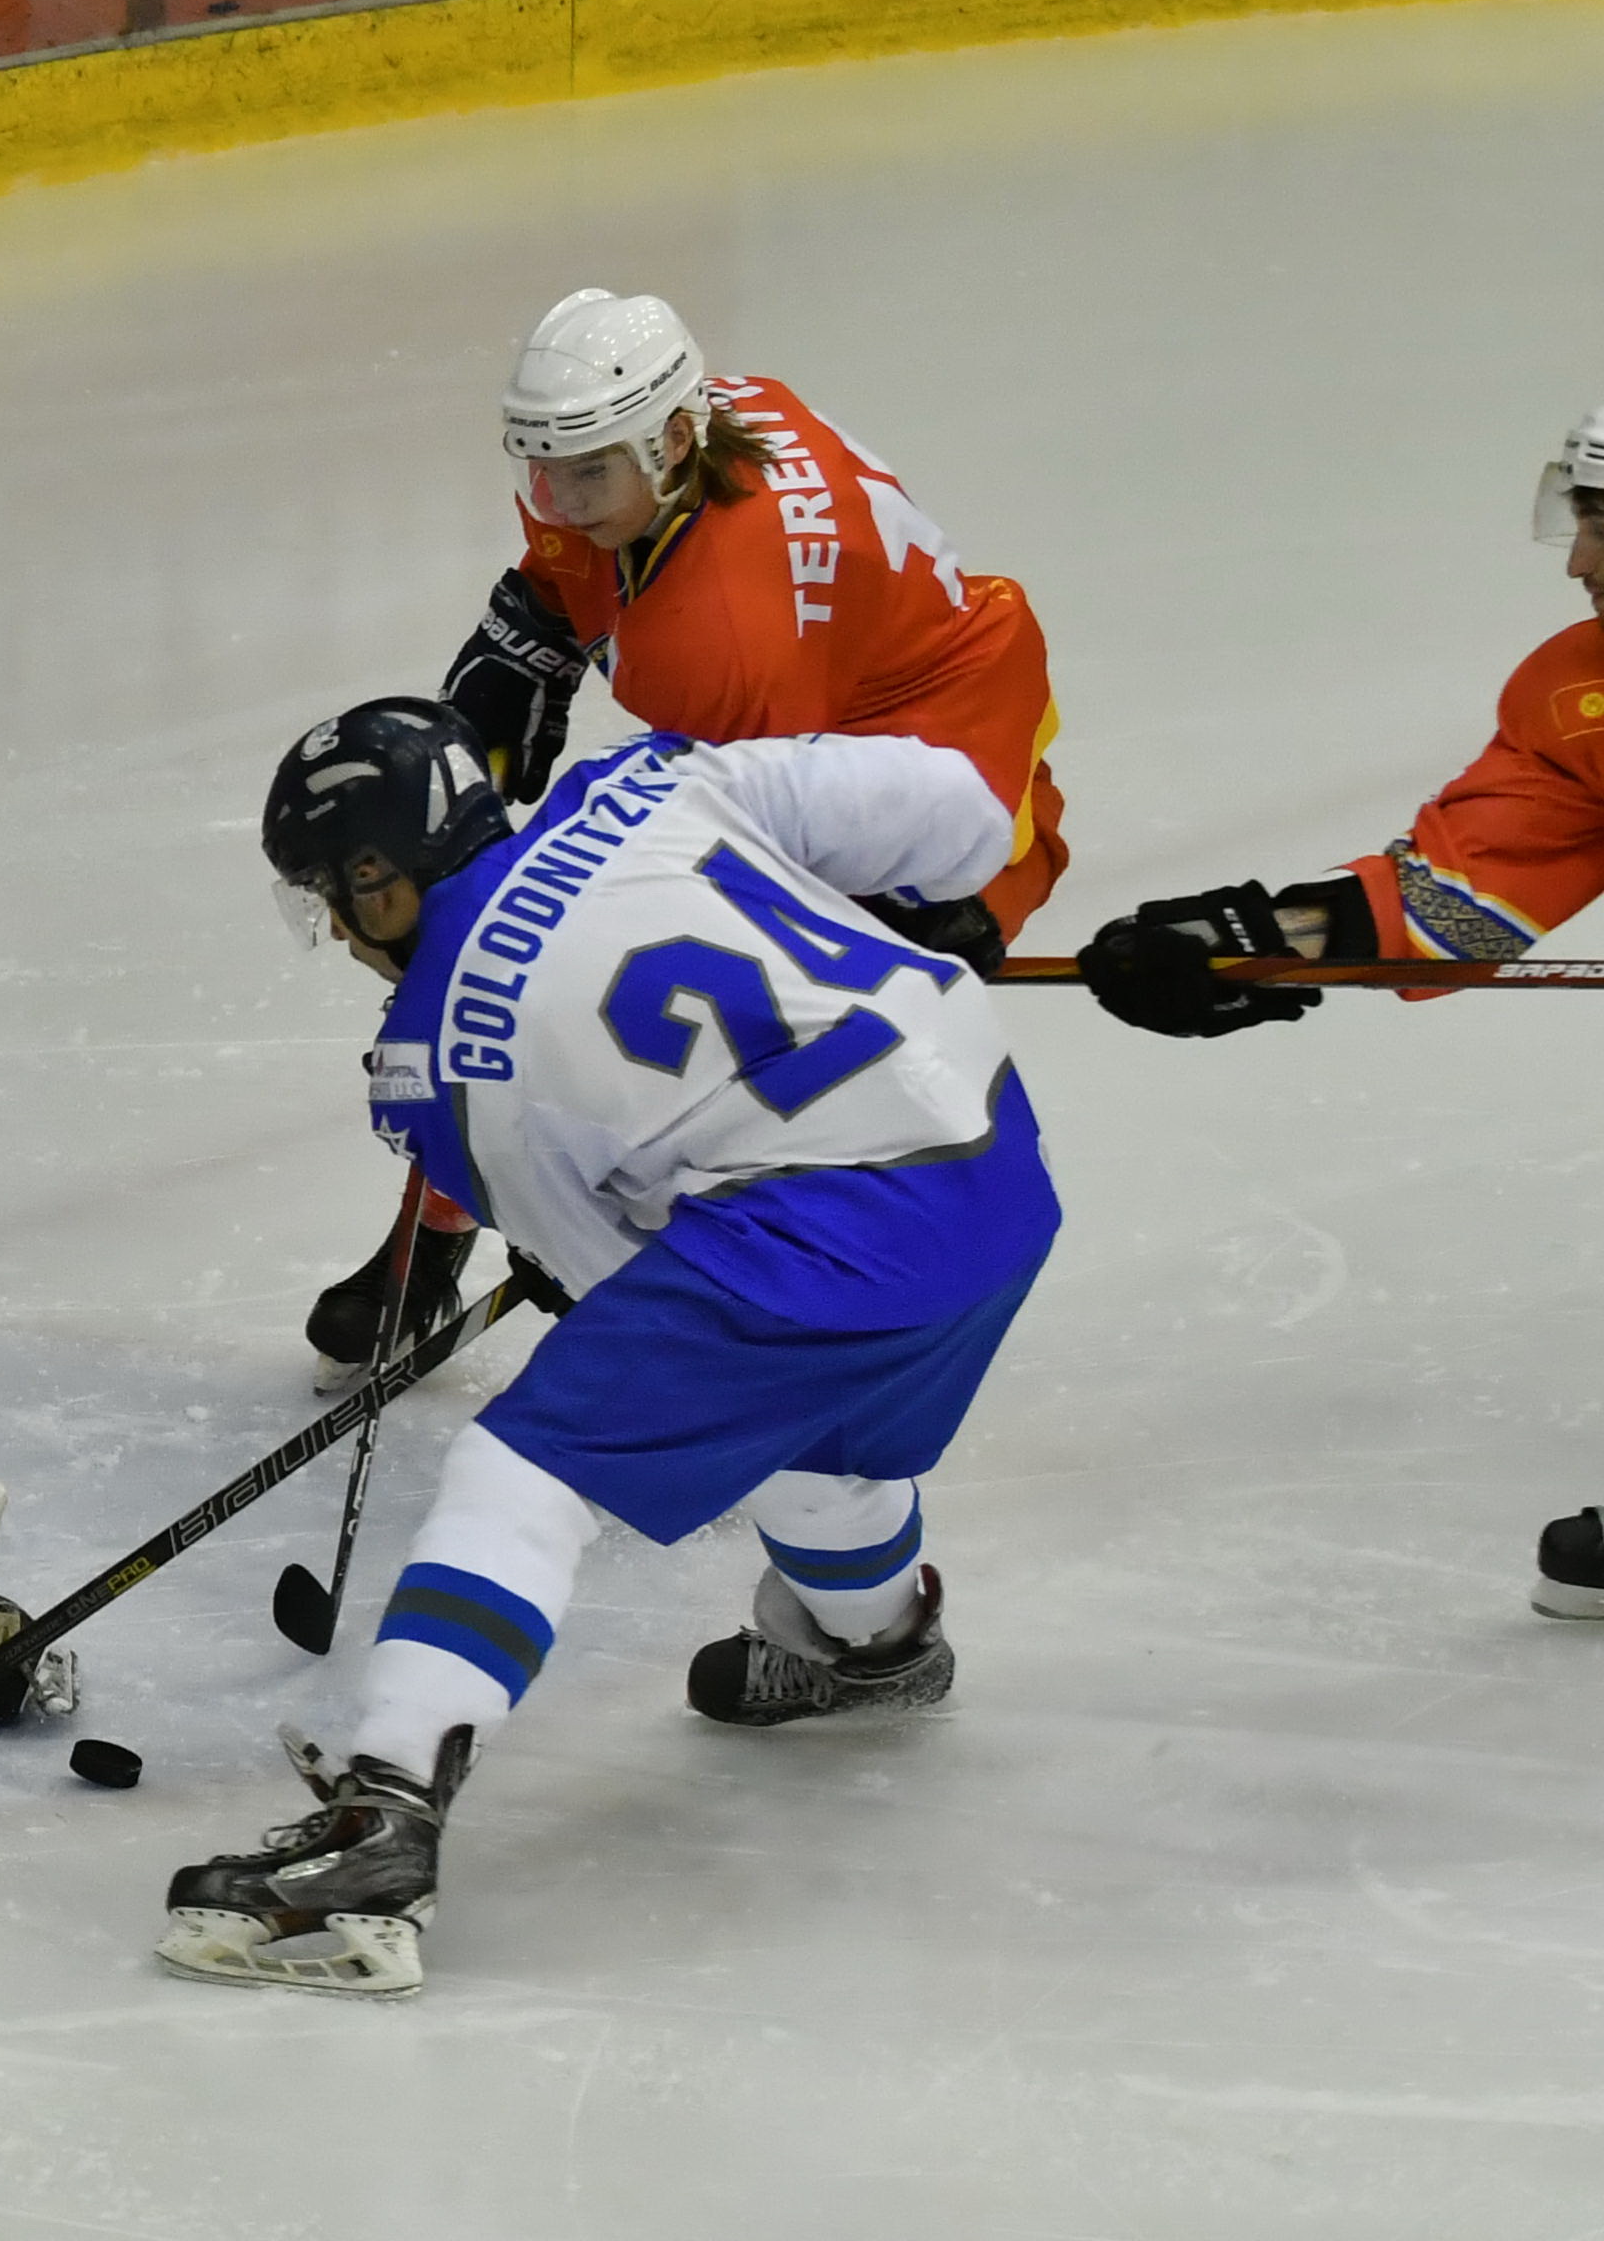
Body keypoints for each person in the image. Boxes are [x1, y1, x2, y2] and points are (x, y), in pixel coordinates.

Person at [166, 696, 1064, 2000]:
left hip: (830, 1226)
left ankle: (383, 1817)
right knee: (804, 1431)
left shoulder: (435, 1054)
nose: (345, 935)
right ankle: (875, 1644)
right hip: (993, 1163)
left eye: (334, 898)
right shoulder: (643, 783)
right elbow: (963, 814)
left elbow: (606, 1275)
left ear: (377, 878)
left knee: (524, 1473)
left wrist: (603, 1264)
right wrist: (932, 912)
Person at [303, 288, 1074, 1374]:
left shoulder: (721, 642)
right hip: (849, 707)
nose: (557, 502)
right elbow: (590, 554)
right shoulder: (690, 430)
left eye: (585, 475)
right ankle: (441, 1228)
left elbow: (714, 870)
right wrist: (538, 622)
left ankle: (683, 1273)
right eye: (540, 470)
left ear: (670, 443)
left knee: (666, 1018)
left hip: (941, 793)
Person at [1075, 400, 1604, 1620]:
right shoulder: (1579, 694)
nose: (1577, 561)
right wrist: (1245, 942)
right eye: (1580, 520)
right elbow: (1454, 899)